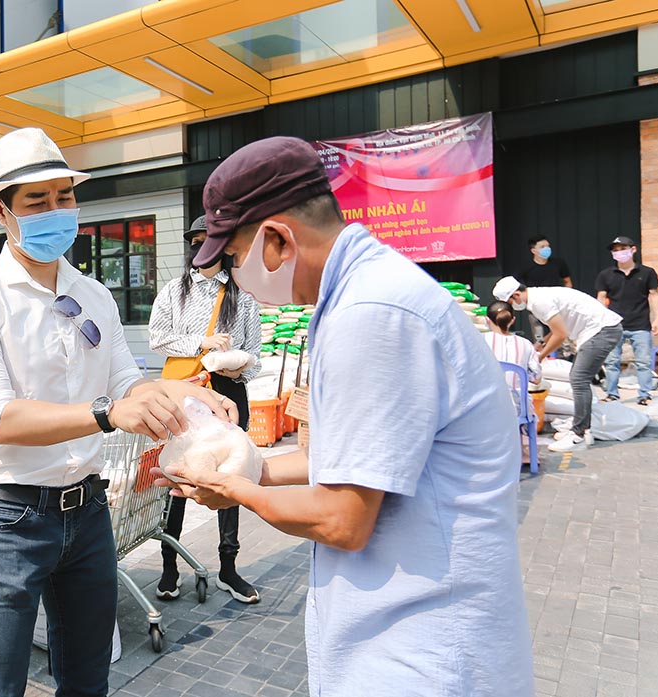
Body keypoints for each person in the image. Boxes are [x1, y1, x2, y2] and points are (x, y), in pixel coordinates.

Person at [155, 136, 534, 696]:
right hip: (410, 635)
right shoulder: (367, 294)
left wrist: (236, 491)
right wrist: (245, 465)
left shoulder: (370, 315)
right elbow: (339, 462)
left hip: (419, 651)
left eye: (234, 258)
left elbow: (341, 519)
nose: (236, 276)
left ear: (278, 239)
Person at [0, 127, 237, 697]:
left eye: (64, 196)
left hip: (90, 511)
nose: (56, 210)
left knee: (87, 680)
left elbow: (130, 382)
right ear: (1, 211)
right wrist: (107, 413)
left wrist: (192, 397)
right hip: (8, 518)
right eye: (36, 201)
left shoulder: (93, 293)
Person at [148, 215, 262, 604]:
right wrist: (203, 342)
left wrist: (238, 363)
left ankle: (228, 567)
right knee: (178, 475)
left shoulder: (243, 299)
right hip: (186, 395)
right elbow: (157, 338)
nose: (200, 247)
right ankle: (168, 566)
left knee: (233, 475)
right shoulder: (173, 291)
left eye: (207, 240)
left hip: (228, 393)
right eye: (194, 241)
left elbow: (257, 358)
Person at [493, 276, 622, 453]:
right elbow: (557, 330)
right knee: (579, 379)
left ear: (516, 295)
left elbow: (561, 335)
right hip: (599, 329)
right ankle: (584, 430)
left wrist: (539, 357)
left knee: (578, 379)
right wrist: (540, 345)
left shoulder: (539, 302)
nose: (512, 308)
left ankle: (578, 436)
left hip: (601, 330)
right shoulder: (538, 297)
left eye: (510, 302)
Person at [595, 236, 658, 406]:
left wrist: (657, 320)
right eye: (615, 250)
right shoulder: (606, 275)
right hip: (614, 325)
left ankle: (645, 394)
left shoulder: (647, 273)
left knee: (643, 362)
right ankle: (611, 394)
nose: (619, 253)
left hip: (640, 324)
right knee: (611, 362)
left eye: (623, 249)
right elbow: (601, 298)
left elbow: (654, 296)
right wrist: (599, 321)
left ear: (633, 250)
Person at [517, 235, 573, 344]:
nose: (547, 249)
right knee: (540, 338)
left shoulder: (558, 263)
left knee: (561, 335)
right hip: (535, 308)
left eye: (548, 246)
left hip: (556, 305)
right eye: (542, 246)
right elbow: (516, 284)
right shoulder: (526, 267)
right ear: (534, 250)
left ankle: (562, 358)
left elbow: (567, 282)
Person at [484, 300, 542, 390]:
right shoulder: (526, 344)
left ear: (487, 320)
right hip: (517, 402)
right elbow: (536, 378)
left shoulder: (480, 340)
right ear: (513, 320)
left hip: (487, 401)